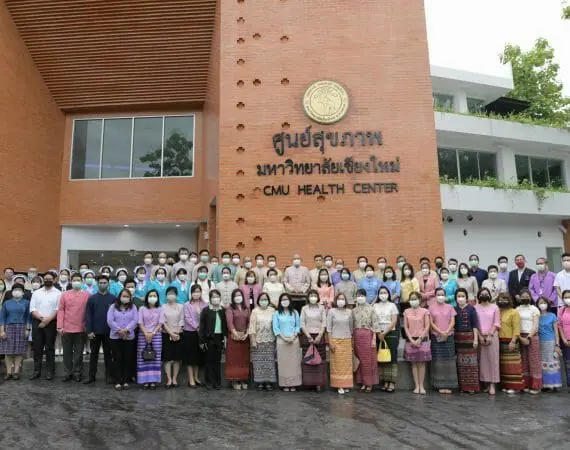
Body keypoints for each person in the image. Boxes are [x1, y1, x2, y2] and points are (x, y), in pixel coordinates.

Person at [57, 273, 89, 382]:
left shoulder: (87, 295)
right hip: (66, 327)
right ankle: (67, 372)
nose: (76, 282)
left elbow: (89, 312)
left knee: (79, 352)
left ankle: (77, 372)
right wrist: (59, 326)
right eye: (74, 280)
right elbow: (61, 310)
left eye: (78, 280)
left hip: (81, 328)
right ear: (71, 281)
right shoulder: (65, 294)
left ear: (82, 281)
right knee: (67, 352)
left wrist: (87, 326)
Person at [29, 272, 61, 381]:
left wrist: (47, 320)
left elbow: (57, 309)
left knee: (49, 348)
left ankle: (50, 371)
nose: (48, 280)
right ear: (43, 280)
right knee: (37, 347)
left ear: (54, 280)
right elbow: (32, 308)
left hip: (51, 323)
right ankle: (36, 371)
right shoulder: (36, 293)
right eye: (46, 278)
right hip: (37, 322)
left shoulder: (58, 293)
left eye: (50, 279)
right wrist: (42, 319)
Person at [84, 276, 115, 385]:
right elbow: (88, 316)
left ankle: (109, 376)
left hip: (109, 332)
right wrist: (89, 330)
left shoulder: (113, 298)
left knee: (108, 355)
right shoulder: (92, 298)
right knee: (93, 355)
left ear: (108, 284)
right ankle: (91, 376)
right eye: (101, 282)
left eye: (104, 282)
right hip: (95, 332)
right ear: (97, 284)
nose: (102, 284)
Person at [107, 289, 138, 391]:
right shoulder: (113, 307)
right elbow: (110, 320)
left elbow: (135, 320)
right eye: (123, 296)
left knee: (127, 358)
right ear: (119, 297)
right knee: (117, 358)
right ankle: (117, 381)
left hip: (129, 337)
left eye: (127, 296)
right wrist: (120, 331)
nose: (125, 298)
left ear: (130, 298)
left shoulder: (133, 307)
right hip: (115, 337)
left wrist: (126, 330)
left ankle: (125, 380)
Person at [428, 287, 458, 394]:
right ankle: (439, 384)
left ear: (445, 296)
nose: (440, 296)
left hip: (448, 336)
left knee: (449, 361)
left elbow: (452, 321)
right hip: (437, 337)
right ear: (435, 296)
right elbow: (431, 322)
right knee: (438, 361)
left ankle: (449, 384)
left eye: (442, 294)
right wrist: (440, 332)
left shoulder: (450, 307)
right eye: (438, 294)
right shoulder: (431, 308)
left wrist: (446, 332)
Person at [272, 293, 302, 391]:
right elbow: (275, 328)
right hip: (281, 341)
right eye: (283, 299)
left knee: (294, 363)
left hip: (294, 341)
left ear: (290, 301)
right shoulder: (276, 313)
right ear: (280, 301)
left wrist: (294, 336)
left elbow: (298, 326)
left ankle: (294, 384)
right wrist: (283, 337)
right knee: (283, 363)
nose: (285, 301)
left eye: (286, 299)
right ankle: (285, 384)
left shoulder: (294, 312)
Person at [0, 283, 30, 380]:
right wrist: (2, 331)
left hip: (21, 327)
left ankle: (16, 371)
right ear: (12, 291)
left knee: (19, 351)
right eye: (15, 289)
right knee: (8, 352)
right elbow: (2, 318)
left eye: (19, 289)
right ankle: (8, 372)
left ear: (22, 292)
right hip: (9, 328)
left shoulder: (26, 302)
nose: (17, 291)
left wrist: (27, 329)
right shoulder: (6, 303)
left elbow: (28, 318)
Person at [403, 291, 431, 394]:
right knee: (414, 363)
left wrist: (420, 338)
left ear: (419, 300)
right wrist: (411, 339)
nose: (413, 301)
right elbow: (406, 326)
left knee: (422, 364)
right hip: (410, 340)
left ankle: (422, 386)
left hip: (422, 340)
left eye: (415, 299)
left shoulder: (425, 311)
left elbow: (427, 326)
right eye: (411, 299)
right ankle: (416, 386)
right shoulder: (406, 311)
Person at [352, 288, 379, 393]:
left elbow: (375, 325)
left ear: (366, 297)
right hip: (357, 337)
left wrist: (374, 339)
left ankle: (369, 383)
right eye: (358, 296)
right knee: (360, 361)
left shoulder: (371, 309)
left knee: (369, 361)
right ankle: (363, 382)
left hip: (368, 335)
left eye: (362, 296)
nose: (360, 298)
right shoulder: (354, 310)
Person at [199, 290, 227, 390]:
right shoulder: (206, 310)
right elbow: (202, 326)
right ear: (210, 299)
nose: (216, 299)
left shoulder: (222, 310)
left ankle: (217, 382)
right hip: (208, 338)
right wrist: (201, 341)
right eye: (213, 297)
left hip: (219, 338)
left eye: (217, 297)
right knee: (208, 361)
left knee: (217, 361)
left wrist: (225, 339)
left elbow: (225, 326)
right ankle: (209, 382)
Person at [453, 288, 480, 394]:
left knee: (471, 363)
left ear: (466, 297)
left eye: (462, 296)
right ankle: (463, 387)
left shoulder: (471, 309)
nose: (460, 298)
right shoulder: (454, 309)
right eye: (458, 296)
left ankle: (473, 387)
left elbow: (475, 325)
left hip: (469, 338)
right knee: (461, 363)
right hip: (458, 339)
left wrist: (475, 339)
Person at [497, 293, 524, 394]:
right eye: (501, 299)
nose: (503, 301)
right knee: (503, 365)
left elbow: (516, 328)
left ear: (509, 300)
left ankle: (515, 386)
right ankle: (505, 385)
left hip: (511, 341)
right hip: (500, 341)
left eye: (505, 299)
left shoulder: (514, 312)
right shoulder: (497, 311)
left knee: (513, 365)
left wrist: (513, 341)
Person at [248, 293, 277, 390]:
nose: (263, 301)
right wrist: (253, 340)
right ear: (258, 301)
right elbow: (251, 327)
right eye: (262, 299)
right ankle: (260, 382)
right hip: (258, 340)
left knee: (269, 362)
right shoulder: (255, 311)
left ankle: (268, 382)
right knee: (259, 363)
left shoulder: (273, 311)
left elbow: (276, 325)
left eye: (265, 299)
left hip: (270, 340)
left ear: (268, 301)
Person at [300, 290, 327, 391]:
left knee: (319, 361)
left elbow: (324, 323)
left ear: (318, 297)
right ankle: (308, 383)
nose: (313, 298)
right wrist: (309, 337)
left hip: (319, 336)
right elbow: (302, 324)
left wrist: (319, 336)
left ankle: (319, 383)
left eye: (314, 296)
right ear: (308, 297)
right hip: (307, 337)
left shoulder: (321, 308)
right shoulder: (304, 308)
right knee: (308, 361)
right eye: (311, 296)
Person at [326, 293, 354, 394]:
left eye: (343, 299)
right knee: (337, 365)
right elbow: (328, 328)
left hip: (346, 340)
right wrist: (330, 342)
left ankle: (346, 385)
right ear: (335, 300)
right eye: (339, 299)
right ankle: (339, 385)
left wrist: (352, 342)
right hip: (335, 340)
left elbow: (351, 328)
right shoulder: (331, 312)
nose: (341, 301)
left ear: (345, 301)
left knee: (346, 365)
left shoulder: (349, 312)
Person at [372, 287, 398, 392]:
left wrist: (385, 332)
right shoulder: (375, 306)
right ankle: (384, 381)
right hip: (378, 333)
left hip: (390, 333)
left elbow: (394, 321)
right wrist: (379, 332)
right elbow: (373, 321)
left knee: (391, 357)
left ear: (388, 294)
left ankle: (391, 382)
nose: (383, 294)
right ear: (378, 295)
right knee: (381, 357)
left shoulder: (392, 305)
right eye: (381, 293)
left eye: (385, 292)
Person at [516, 289, 542, 394]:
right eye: (523, 296)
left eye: (527, 296)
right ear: (519, 298)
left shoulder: (534, 309)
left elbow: (535, 325)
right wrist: (521, 338)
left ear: (530, 297)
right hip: (521, 336)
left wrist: (529, 337)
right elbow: (516, 324)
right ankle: (525, 384)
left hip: (532, 336)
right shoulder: (517, 309)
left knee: (534, 361)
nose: (525, 297)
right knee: (524, 361)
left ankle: (536, 386)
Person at [137, 289, 164, 389]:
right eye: (150, 295)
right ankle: (144, 381)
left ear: (157, 298)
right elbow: (140, 322)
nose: (152, 297)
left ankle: (153, 381)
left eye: (154, 296)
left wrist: (152, 333)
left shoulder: (160, 309)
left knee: (154, 358)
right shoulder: (142, 309)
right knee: (143, 358)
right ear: (147, 297)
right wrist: (146, 333)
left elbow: (160, 323)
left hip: (156, 335)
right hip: (143, 335)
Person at [475, 288, 500, 396]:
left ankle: (492, 384)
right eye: (482, 294)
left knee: (493, 360)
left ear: (490, 295)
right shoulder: (475, 308)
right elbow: (475, 323)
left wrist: (490, 335)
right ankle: (485, 382)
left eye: (486, 294)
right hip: (480, 336)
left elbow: (496, 323)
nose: (484, 295)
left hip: (492, 336)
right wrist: (480, 336)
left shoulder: (495, 307)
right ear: (478, 296)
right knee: (483, 361)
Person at [225, 289, 251, 390]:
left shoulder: (247, 308)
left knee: (244, 359)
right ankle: (235, 380)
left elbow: (249, 322)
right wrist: (236, 333)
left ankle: (243, 379)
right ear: (233, 297)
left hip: (245, 337)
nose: (238, 297)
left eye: (239, 295)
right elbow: (229, 323)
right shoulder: (230, 308)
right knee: (234, 359)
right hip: (234, 337)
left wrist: (247, 333)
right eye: (235, 295)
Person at [183, 285, 207, 387]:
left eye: (198, 291)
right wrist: (197, 327)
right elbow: (187, 318)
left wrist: (201, 329)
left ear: (201, 293)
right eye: (194, 292)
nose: (196, 294)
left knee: (198, 356)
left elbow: (206, 317)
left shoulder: (205, 304)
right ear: (191, 293)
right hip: (190, 332)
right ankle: (191, 379)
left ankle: (196, 377)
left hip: (201, 333)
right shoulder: (187, 304)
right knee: (190, 357)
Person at [537, 297, 562, 391]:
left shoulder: (552, 316)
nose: (542, 304)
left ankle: (554, 384)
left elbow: (556, 331)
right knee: (543, 364)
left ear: (547, 304)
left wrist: (557, 344)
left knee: (553, 363)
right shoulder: (536, 315)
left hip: (551, 342)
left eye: (544, 302)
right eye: (540, 303)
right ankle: (545, 385)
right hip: (540, 343)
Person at [162, 286, 184, 388]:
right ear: (166, 295)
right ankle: (169, 379)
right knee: (167, 358)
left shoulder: (181, 306)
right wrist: (171, 333)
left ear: (176, 295)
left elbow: (182, 320)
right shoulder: (162, 307)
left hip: (178, 334)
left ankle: (174, 378)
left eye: (173, 293)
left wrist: (177, 332)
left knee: (177, 358)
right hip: (166, 334)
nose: (171, 295)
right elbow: (163, 322)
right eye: (169, 293)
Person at [557, 290, 570, 391]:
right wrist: (564, 339)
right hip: (565, 340)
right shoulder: (561, 310)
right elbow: (560, 326)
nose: (567, 299)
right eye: (565, 297)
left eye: (569, 297)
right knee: (567, 363)